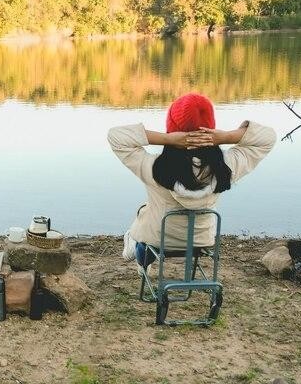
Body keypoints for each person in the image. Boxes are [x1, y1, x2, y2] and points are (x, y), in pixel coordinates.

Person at [108, 92, 276, 267]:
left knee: (145, 213)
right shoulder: (226, 167)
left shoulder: (154, 167)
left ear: (173, 129)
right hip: (200, 241)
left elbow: (116, 136)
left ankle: (137, 247)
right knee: (149, 213)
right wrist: (225, 137)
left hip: (159, 238)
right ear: (211, 129)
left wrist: (167, 139)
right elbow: (268, 137)